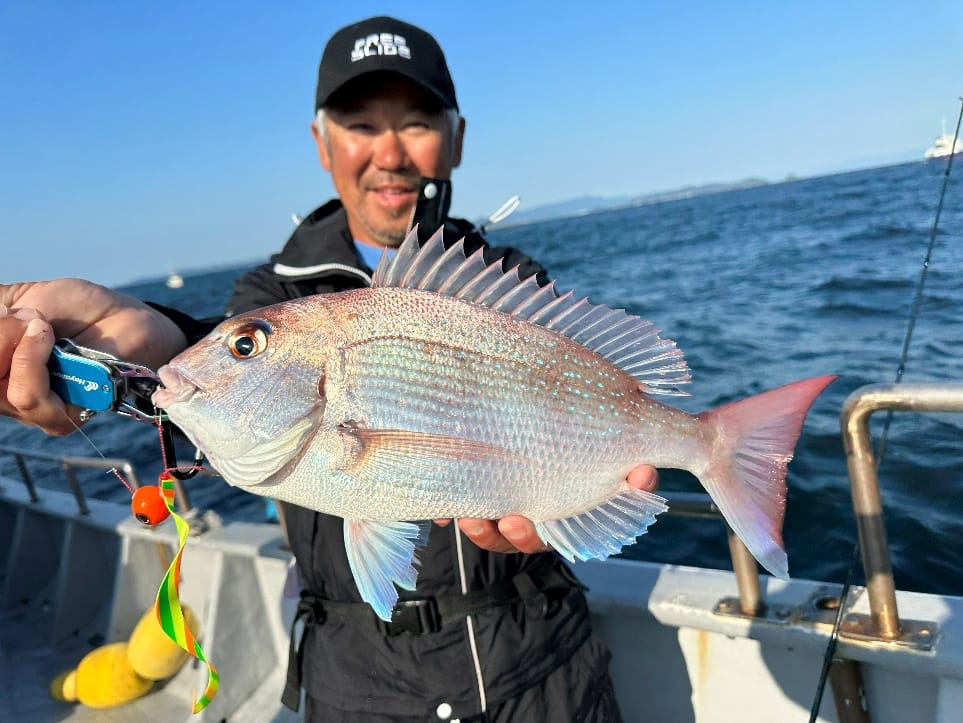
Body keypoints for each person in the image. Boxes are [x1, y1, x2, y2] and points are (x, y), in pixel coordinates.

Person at [0, 16, 657, 722]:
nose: (389, 152)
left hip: (542, 667)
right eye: (359, 123)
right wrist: (147, 345)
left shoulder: (510, 283)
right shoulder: (270, 296)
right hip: (358, 682)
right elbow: (223, 371)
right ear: (321, 142)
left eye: (416, 121)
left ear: (455, 137)